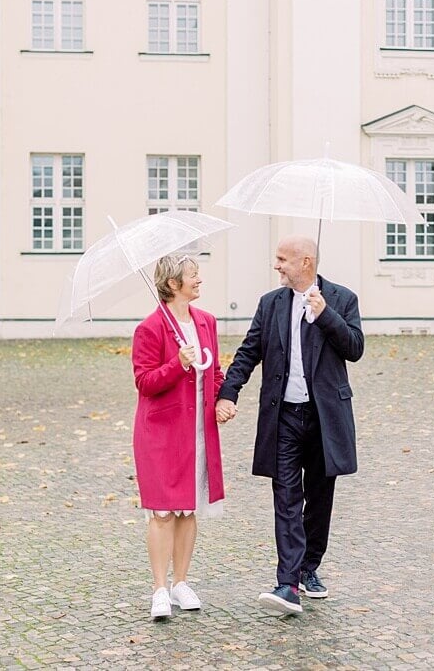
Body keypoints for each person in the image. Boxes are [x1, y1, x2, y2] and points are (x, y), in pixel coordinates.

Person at [215, 235, 364, 615]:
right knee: (285, 498)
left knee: (319, 499)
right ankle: (288, 583)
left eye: (283, 259)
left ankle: (309, 566)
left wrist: (325, 314)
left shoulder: (342, 299)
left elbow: (355, 349)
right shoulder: (271, 303)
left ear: (306, 262)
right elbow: (250, 351)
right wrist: (228, 393)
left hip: (325, 418)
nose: (277, 265)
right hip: (283, 417)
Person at [131, 253, 225, 620]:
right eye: (192, 275)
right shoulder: (150, 329)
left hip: (199, 431)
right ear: (173, 284)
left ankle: (181, 582)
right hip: (161, 433)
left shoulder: (207, 322)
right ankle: (159, 589)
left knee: (189, 509)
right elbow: (144, 383)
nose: (199, 280)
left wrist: (221, 402)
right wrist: (177, 364)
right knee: (163, 512)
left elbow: (214, 372)